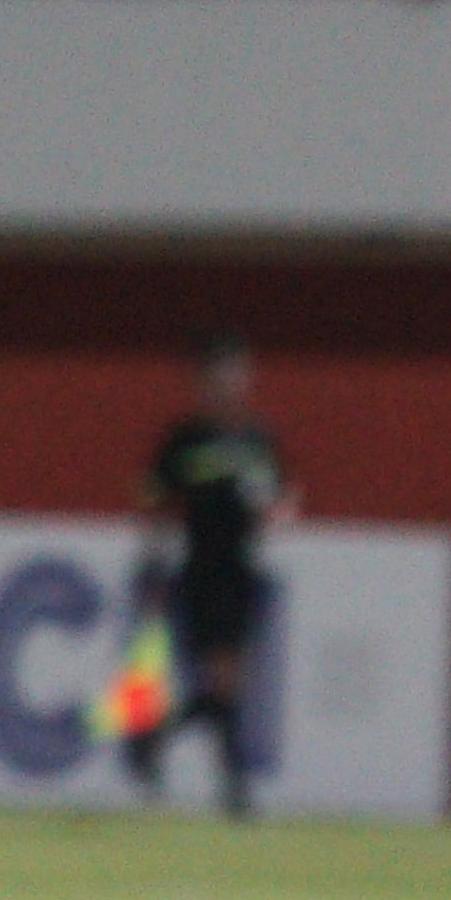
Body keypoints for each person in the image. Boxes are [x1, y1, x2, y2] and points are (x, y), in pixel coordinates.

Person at [126, 331, 291, 818]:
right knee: (223, 680)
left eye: (237, 374)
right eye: (221, 374)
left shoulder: (259, 439)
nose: (231, 383)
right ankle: (235, 788)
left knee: (226, 683)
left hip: (243, 570)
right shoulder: (184, 440)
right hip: (201, 569)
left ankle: (157, 738)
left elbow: (283, 493)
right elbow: (155, 499)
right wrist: (152, 563)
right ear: (202, 382)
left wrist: (277, 511)